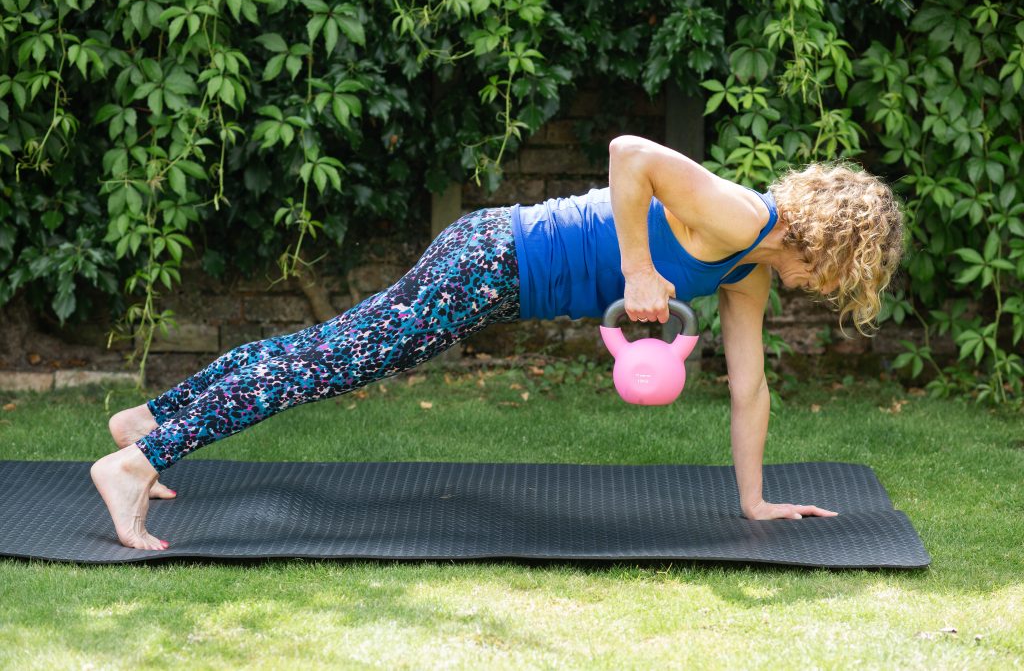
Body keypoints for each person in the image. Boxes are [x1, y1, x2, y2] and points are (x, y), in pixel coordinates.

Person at [93, 135, 905, 550]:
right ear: (834, 245)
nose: (834, 292)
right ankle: (137, 463)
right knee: (336, 360)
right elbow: (630, 154)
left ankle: (149, 422)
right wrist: (635, 270)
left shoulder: (747, 272)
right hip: (494, 258)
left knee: (328, 345)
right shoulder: (741, 214)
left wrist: (755, 500)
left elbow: (749, 385)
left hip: (495, 270)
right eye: (845, 276)